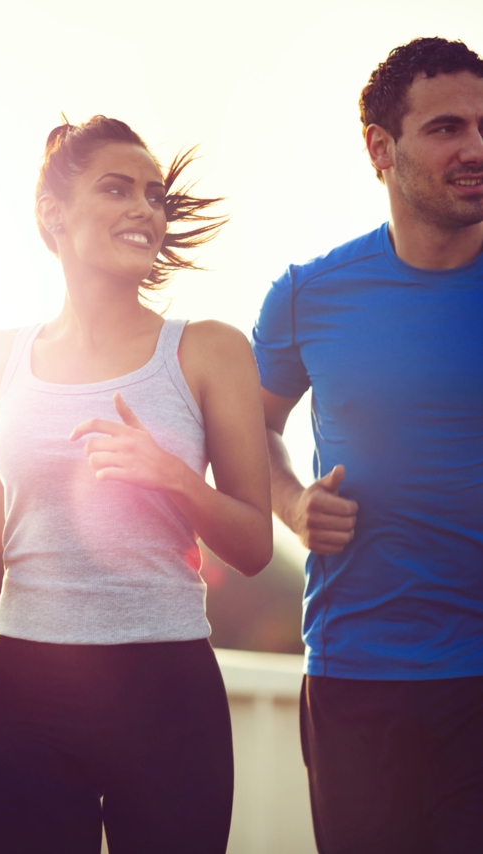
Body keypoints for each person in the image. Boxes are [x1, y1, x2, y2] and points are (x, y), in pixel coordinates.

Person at [0, 115, 273, 854]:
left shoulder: (208, 350)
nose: (145, 210)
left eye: (155, 196)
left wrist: (172, 476)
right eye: (117, 189)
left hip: (167, 690)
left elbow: (251, 544)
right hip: (27, 684)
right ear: (52, 214)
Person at [252, 37, 483, 854]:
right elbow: (250, 426)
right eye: (447, 127)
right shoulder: (307, 296)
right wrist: (291, 503)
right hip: (359, 671)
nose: (477, 148)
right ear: (380, 149)